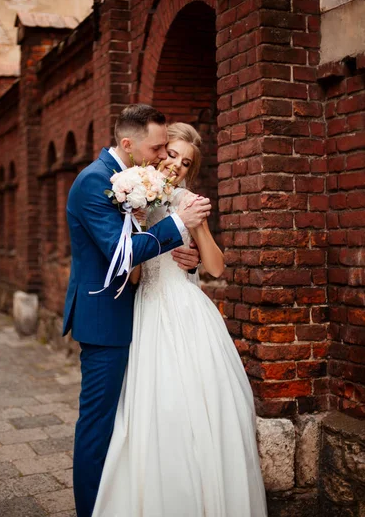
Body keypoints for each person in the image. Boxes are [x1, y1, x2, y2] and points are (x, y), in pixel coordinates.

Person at [92, 122, 268, 517]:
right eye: (171, 154)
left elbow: (216, 267)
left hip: (188, 310)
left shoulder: (191, 200)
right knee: (155, 406)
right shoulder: (133, 198)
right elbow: (133, 274)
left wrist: (195, 224)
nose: (176, 166)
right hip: (149, 310)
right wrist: (134, 222)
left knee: (202, 401)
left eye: (186, 163)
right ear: (158, 152)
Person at [63, 105, 211, 517]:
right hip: (106, 322)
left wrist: (189, 255)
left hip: (142, 316)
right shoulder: (95, 183)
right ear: (128, 144)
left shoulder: (130, 180)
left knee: (133, 423)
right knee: (99, 425)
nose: (162, 156)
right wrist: (178, 224)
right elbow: (123, 253)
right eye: (157, 146)